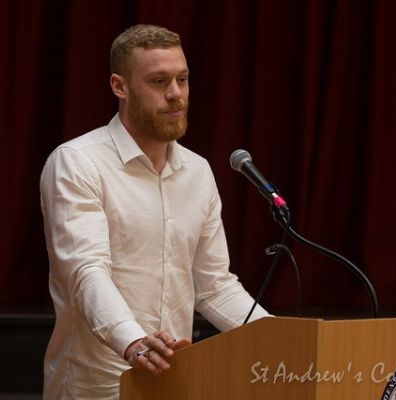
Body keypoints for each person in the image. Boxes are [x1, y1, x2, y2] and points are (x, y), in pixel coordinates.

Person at [40, 24, 270, 399]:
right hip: (95, 385)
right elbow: (86, 272)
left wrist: (281, 336)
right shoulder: (77, 162)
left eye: (183, 79)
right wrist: (133, 341)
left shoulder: (198, 171)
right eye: (159, 81)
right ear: (120, 86)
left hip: (172, 380)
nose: (176, 93)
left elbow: (215, 287)